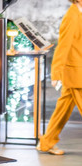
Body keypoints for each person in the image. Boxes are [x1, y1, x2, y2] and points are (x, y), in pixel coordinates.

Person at [36, 0, 82, 155]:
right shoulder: (72, 16)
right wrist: (56, 72)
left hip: (76, 71)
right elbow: (63, 46)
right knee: (63, 109)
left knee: (62, 109)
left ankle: (46, 142)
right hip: (75, 72)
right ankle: (46, 142)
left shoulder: (78, 13)